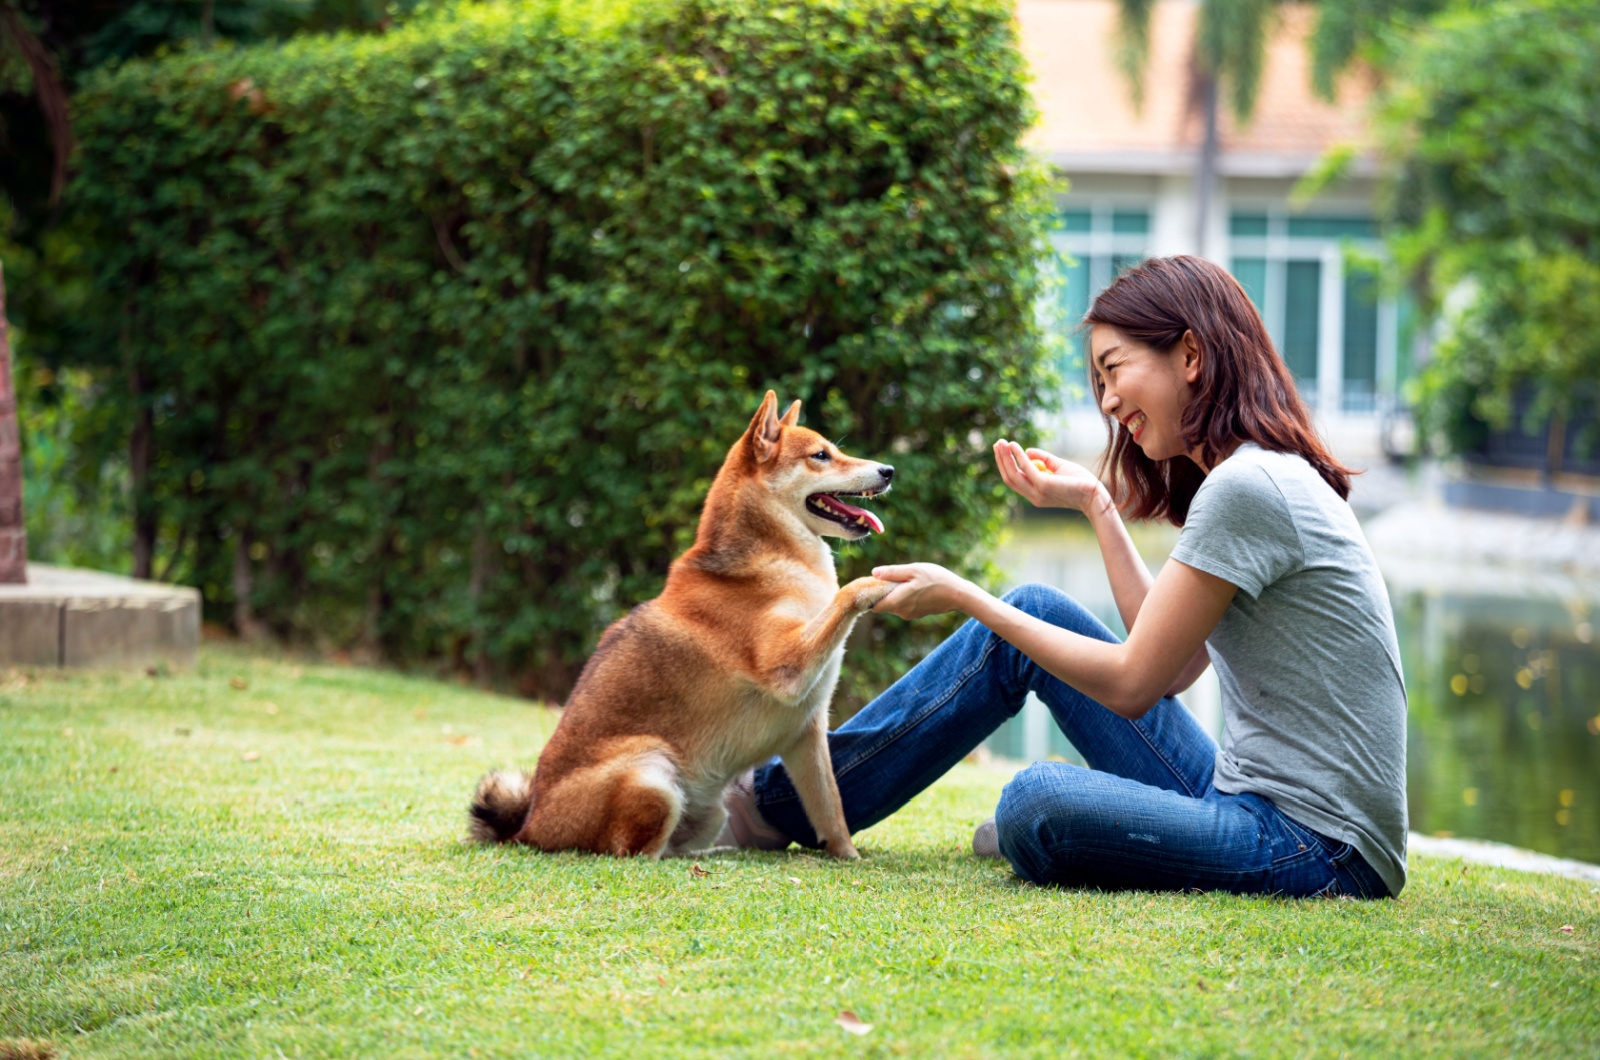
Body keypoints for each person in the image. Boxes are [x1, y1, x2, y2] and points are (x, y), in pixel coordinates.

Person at [719, 255, 1407, 899]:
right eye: (1098, 383)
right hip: (1249, 801)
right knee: (1036, 613)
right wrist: (1095, 504)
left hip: (1319, 846)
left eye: (1114, 370)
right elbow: (1171, 665)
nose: (1107, 402)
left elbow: (1137, 684)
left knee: (1035, 800)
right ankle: (775, 808)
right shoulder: (1251, 477)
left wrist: (965, 597)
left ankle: (785, 808)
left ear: (1191, 356)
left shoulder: (1247, 486)